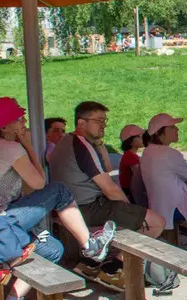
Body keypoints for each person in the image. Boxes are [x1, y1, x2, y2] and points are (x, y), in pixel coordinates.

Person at [0, 97, 115, 300]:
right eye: (19, 118)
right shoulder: (10, 148)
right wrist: (29, 145)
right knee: (59, 191)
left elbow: (30, 186)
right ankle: (90, 246)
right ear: (4, 127)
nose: (24, 121)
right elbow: (41, 184)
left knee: (52, 249)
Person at [49, 101, 166, 239]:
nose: (104, 124)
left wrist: (98, 142)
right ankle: (120, 258)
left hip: (72, 206)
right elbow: (110, 189)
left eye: (105, 120)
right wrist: (131, 212)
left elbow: (107, 168)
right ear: (81, 123)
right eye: (99, 120)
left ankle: (116, 256)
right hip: (87, 208)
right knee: (157, 223)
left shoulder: (69, 140)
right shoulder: (82, 146)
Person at [140, 113, 187, 231]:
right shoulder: (169, 154)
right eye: (172, 127)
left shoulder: (147, 152)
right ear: (159, 132)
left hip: (158, 207)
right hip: (176, 208)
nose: (177, 129)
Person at [117, 123, 146, 200]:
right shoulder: (130, 156)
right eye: (140, 137)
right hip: (130, 192)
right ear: (130, 142)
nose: (143, 138)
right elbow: (137, 178)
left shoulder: (130, 155)